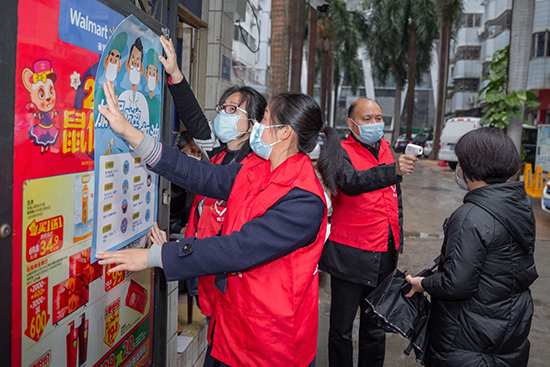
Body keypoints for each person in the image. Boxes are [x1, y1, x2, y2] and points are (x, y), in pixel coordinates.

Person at [96, 81, 344, 367]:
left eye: (263, 120)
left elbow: (237, 249)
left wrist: (156, 256)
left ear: (285, 132)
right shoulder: (256, 169)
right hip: (232, 325)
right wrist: (131, 133)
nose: (257, 127)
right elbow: (200, 175)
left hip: (270, 343)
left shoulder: (304, 200)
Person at [406, 127, 538, 367]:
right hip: (508, 329)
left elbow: (457, 284)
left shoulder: (470, 217)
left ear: (470, 168)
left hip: (468, 339)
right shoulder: (518, 204)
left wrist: (422, 283)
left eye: (461, 162)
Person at [158, 35, 268, 321]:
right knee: (213, 327)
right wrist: (175, 75)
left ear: (253, 123)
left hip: (231, 273)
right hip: (203, 261)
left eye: (233, 110)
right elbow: (194, 120)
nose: (224, 115)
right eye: (222, 108)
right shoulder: (219, 153)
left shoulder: (257, 166)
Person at [319, 98, 418, 367]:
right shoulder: (339, 151)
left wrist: (397, 241)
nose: (375, 124)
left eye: (379, 118)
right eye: (366, 119)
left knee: (375, 326)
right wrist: (392, 170)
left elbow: (393, 199)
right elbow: (350, 183)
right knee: (341, 328)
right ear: (351, 123)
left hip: (384, 255)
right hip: (350, 255)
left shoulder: (386, 149)